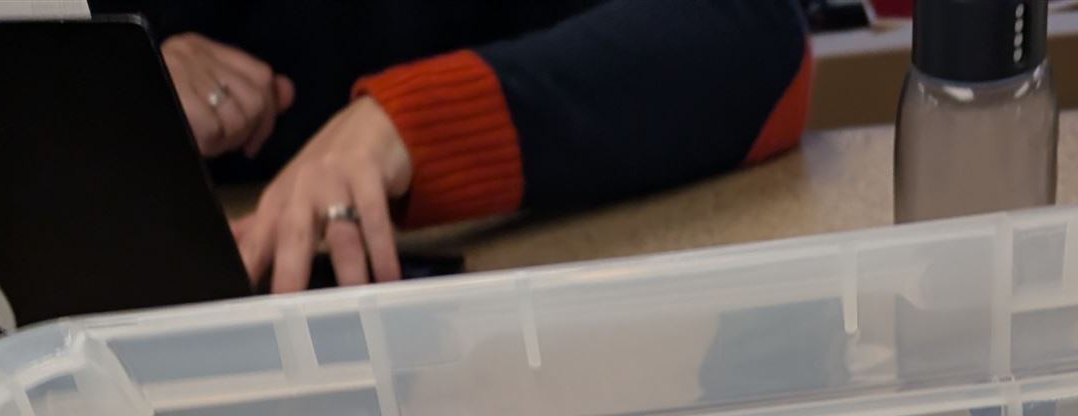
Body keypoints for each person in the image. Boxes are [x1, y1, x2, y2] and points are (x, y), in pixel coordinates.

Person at [157, 0, 811, 295]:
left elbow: (755, 38)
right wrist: (132, 72)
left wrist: (405, 123)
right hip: (202, 378)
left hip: (518, 345)